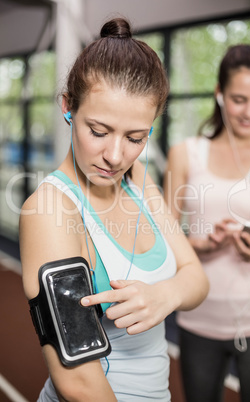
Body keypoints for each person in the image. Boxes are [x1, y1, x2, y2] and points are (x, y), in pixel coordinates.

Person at [19, 17, 209, 402]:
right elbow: (78, 381)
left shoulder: (137, 176)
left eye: (135, 137)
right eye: (99, 131)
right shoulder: (50, 210)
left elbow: (196, 279)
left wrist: (165, 294)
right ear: (68, 107)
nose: (116, 155)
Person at [164, 44, 250, 402]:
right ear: (220, 94)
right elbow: (163, 236)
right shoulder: (186, 153)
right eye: (240, 99)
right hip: (198, 316)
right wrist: (200, 244)